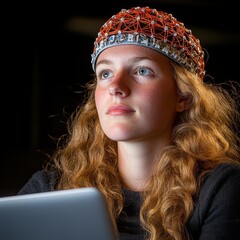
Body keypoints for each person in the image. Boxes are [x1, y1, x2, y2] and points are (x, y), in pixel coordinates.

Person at [18, 6, 240, 240]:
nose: (115, 87)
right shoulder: (49, 190)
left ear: (183, 97)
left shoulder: (221, 189)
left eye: (142, 70)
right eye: (105, 73)